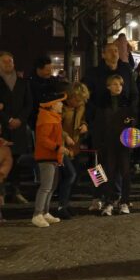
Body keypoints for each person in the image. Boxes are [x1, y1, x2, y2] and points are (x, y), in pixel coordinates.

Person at [92, 74, 137, 215]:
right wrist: (97, 143)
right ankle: (109, 202)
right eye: (115, 84)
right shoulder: (102, 104)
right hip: (107, 143)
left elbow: (134, 121)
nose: (118, 87)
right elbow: (98, 124)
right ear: (108, 86)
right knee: (108, 173)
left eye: (120, 84)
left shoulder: (127, 103)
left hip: (123, 143)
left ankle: (124, 201)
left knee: (125, 173)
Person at [31, 92, 69, 228]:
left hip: (52, 156)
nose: (62, 105)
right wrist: (58, 148)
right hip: (46, 156)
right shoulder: (46, 119)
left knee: (51, 186)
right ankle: (37, 214)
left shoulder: (52, 117)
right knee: (46, 187)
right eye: (60, 102)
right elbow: (42, 140)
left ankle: (45, 212)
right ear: (52, 105)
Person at [0, 51, 33, 204]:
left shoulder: (23, 82)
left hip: (19, 127)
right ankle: (2, 191)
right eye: (5, 61)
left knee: (17, 160)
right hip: (3, 128)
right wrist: (8, 120)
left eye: (10, 61)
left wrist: (20, 119)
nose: (8, 64)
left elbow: (28, 104)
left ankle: (15, 190)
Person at [54, 82, 90, 219]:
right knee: (70, 174)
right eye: (77, 99)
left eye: (81, 100)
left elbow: (83, 120)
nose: (78, 102)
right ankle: (61, 206)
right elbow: (55, 126)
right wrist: (66, 136)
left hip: (75, 146)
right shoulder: (61, 107)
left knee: (72, 177)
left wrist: (84, 125)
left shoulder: (80, 107)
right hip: (62, 147)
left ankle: (65, 204)